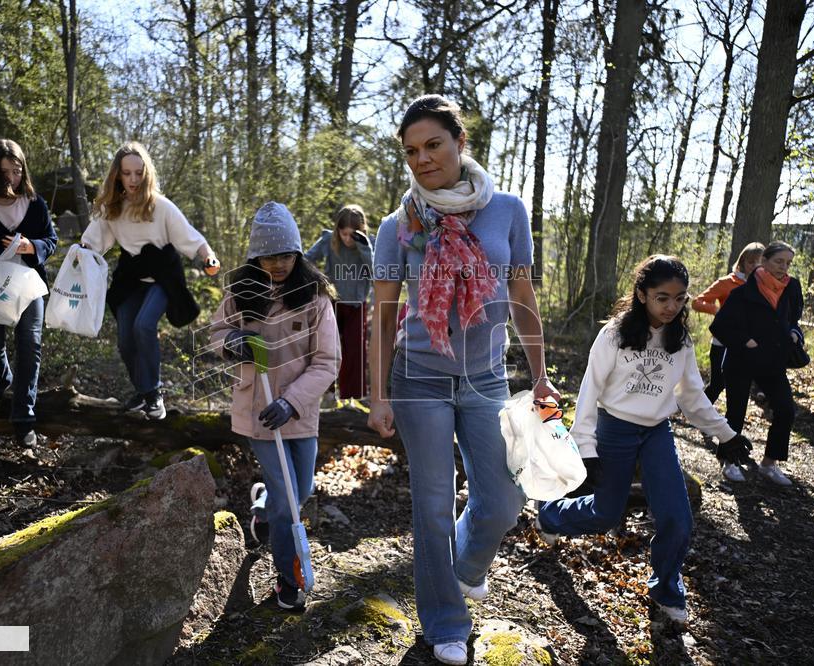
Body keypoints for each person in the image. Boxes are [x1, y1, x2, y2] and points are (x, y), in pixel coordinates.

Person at [366, 94, 558, 665]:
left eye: (433, 145)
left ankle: (467, 567)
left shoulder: (508, 211)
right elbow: (380, 315)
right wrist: (377, 395)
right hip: (418, 377)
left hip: (487, 377)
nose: (422, 159)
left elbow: (521, 295)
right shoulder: (397, 226)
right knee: (431, 504)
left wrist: (541, 373)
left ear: (460, 144)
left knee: (502, 499)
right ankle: (445, 622)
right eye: (411, 152)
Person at [535, 255, 752, 626]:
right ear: (642, 295)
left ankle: (666, 589)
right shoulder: (614, 335)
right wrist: (586, 449)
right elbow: (590, 392)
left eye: (680, 298)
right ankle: (550, 516)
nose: (672, 306)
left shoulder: (679, 339)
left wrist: (726, 434)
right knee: (605, 512)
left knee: (677, 518)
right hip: (614, 429)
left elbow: (691, 397)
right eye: (662, 297)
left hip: (656, 433)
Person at [210, 201, 340, 611]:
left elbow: (327, 361)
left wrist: (292, 401)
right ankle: (288, 575)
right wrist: (232, 343)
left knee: (298, 491)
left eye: (285, 255)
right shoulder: (240, 293)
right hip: (258, 413)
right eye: (270, 256)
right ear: (256, 256)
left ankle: (262, 508)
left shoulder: (316, 297)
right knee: (290, 499)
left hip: (298, 414)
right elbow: (217, 331)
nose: (279, 263)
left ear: (298, 253)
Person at [81, 142, 219, 420]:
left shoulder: (162, 207)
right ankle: (142, 391)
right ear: (117, 175)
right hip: (131, 277)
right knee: (124, 339)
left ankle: (154, 393)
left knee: (144, 325)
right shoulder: (112, 208)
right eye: (127, 173)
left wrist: (209, 258)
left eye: (138, 173)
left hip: (163, 277)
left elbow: (191, 238)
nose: (133, 180)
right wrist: (79, 259)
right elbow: (92, 242)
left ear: (146, 174)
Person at [0, 139, 58, 446]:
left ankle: (24, 418)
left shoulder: (34, 202)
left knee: (30, 344)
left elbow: (51, 239)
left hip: (30, 284)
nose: (11, 179)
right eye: (4, 172)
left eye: (17, 171)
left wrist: (33, 247)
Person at [711, 241, 805, 486]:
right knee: (735, 414)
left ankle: (769, 464)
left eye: (788, 263)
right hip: (741, 361)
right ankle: (729, 461)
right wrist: (745, 340)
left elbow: (794, 319)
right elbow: (719, 326)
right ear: (764, 262)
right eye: (778, 261)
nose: (783, 268)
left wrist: (795, 333)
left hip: (772, 362)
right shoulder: (742, 292)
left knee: (785, 410)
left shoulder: (792, 287)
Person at [692, 242, 764, 482]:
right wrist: (719, 313)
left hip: (747, 349)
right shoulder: (727, 283)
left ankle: (729, 440)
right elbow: (698, 301)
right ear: (743, 262)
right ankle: (701, 416)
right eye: (752, 262)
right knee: (718, 385)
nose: (755, 266)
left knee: (737, 394)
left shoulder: (762, 286)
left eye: (759, 262)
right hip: (722, 344)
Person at [305, 204, 374, 403]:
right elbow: (306, 259)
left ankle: (353, 397)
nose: (347, 239)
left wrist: (364, 246)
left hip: (356, 305)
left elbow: (376, 270)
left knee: (355, 351)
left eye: (352, 234)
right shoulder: (328, 240)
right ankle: (327, 393)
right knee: (328, 348)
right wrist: (319, 281)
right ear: (338, 231)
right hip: (331, 303)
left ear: (361, 231)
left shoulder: (368, 245)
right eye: (343, 234)